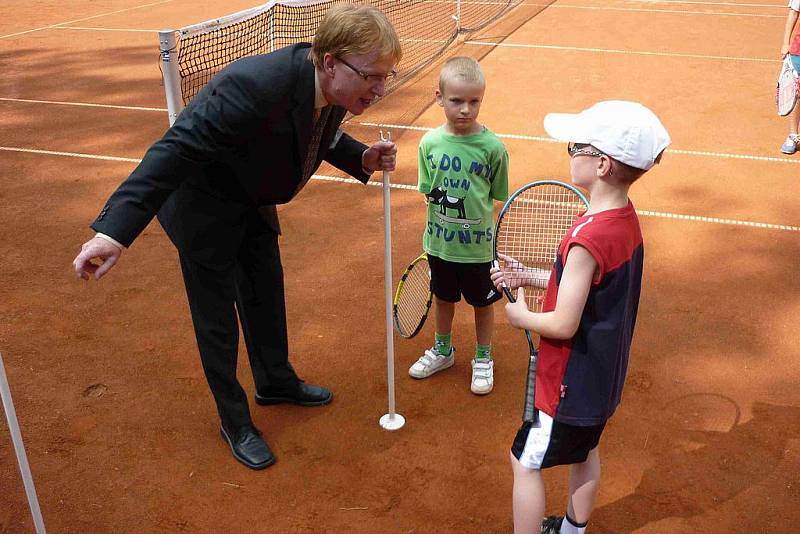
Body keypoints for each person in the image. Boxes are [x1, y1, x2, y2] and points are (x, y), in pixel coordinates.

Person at [71, 4, 401, 470]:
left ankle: (275, 381)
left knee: (266, 292)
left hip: (250, 195)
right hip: (203, 208)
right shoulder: (253, 86)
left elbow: (314, 132)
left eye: (387, 76)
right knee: (217, 323)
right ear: (331, 62)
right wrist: (114, 232)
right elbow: (175, 149)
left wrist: (361, 157)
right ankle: (235, 420)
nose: (381, 88)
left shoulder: (328, 87)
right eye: (373, 76)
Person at [490, 101, 670, 533]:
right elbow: (585, 289)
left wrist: (520, 316)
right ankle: (573, 530)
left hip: (567, 385)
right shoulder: (623, 221)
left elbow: (563, 323)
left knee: (525, 462)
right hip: (600, 381)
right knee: (585, 451)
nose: (570, 153)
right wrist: (528, 276)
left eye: (576, 147)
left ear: (603, 164)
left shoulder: (588, 237)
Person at [408, 57, 509, 395]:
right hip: (440, 245)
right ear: (439, 97)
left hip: (478, 248)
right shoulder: (429, 144)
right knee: (443, 299)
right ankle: (443, 349)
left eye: (474, 101)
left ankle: (483, 357)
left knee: (483, 304)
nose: (466, 109)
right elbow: (428, 192)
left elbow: (495, 195)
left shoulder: (493, 148)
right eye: (456, 101)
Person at [781, 0, 800, 153]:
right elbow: (793, 13)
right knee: (797, 94)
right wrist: (785, 43)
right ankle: (793, 135)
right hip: (799, 51)